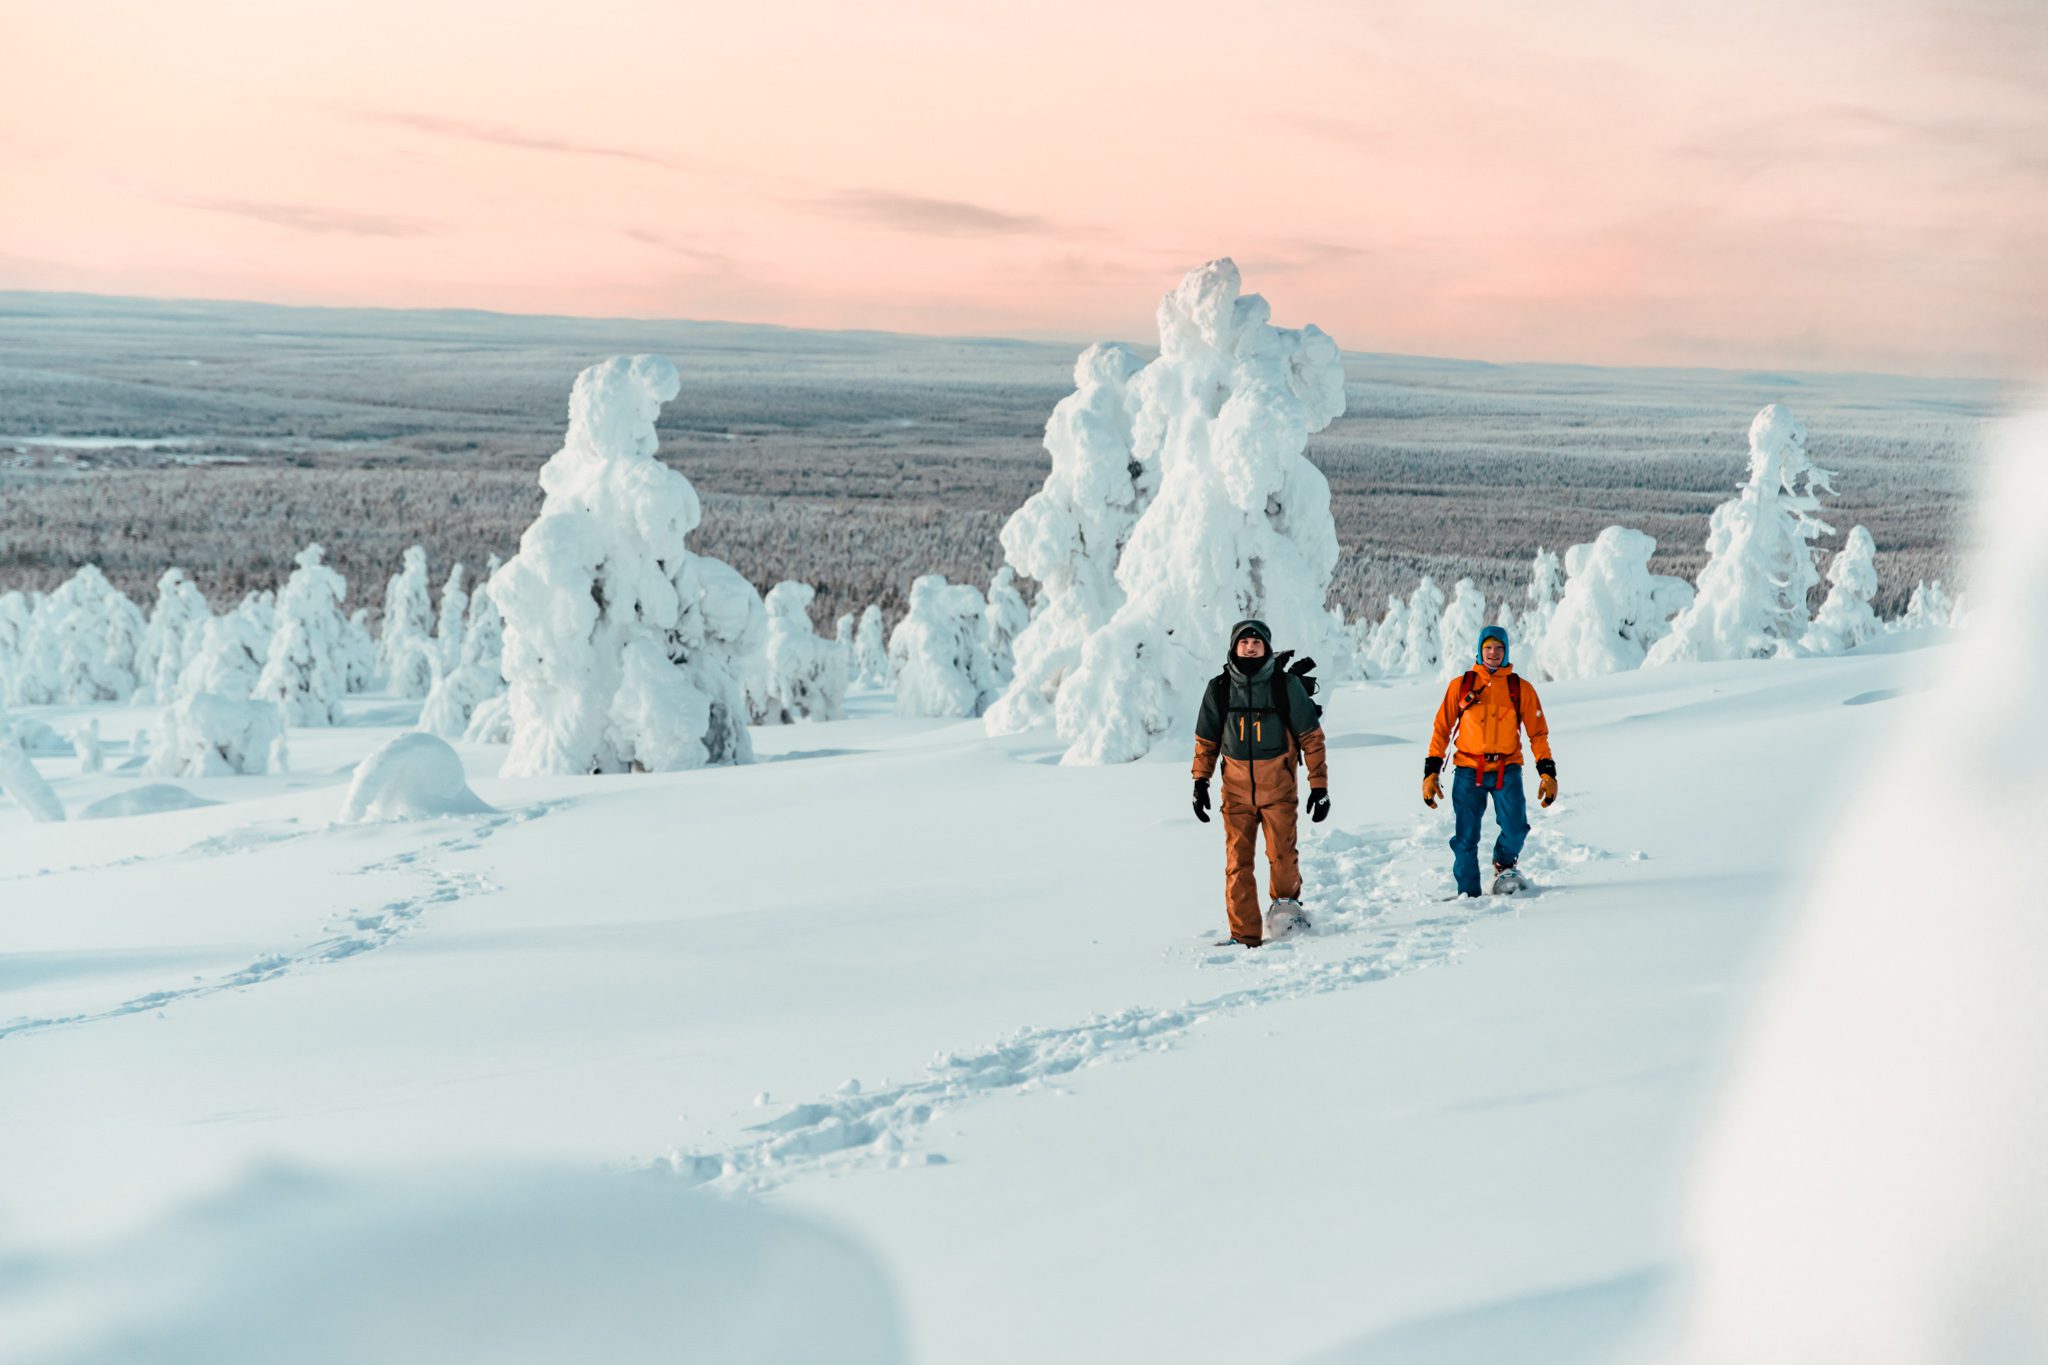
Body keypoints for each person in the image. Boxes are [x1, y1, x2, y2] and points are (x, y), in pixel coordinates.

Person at [1191, 619, 1330, 946]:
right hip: (1235, 793)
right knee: (1237, 864)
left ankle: (1287, 919)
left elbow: (1311, 738)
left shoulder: (1285, 686)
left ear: (1266, 647)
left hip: (1279, 789)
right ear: (1234, 647)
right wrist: (1200, 782)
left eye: (1257, 642)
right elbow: (1206, 741)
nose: (1250, 647)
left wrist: (1319, 786)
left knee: (1282, 857)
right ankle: (1243, 935)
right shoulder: (1219, 688)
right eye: (1244, 642)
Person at [1424, 624, 1557, 896]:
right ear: (1479, 650)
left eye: (1499, 648)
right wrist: (1431, 771)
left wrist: (1547, 771)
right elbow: (1442, 728)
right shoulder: (1461, 686)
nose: (1493, 653)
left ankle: (1504, 863)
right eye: (1488, 648)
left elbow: (1537, 733)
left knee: (1516, 829)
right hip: (1468, 770)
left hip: (1507, 769)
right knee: (1465, 838)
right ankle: (1468, 895)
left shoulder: (1520, 688)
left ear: (1506, 650)